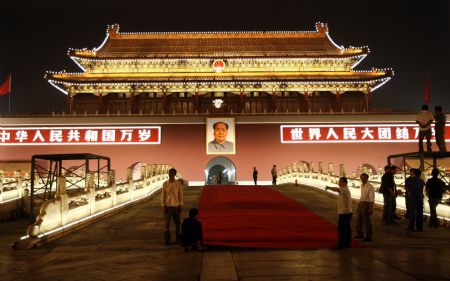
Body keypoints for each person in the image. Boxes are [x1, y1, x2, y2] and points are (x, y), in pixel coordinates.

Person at [326, 177, 353, 249]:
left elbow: (336, 189)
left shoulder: (344, 189)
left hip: (345, 213)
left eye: (340, 182)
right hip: (346, 212)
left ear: (345, 183)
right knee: (346, 229)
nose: (339, 183)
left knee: (342, 229)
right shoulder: (344, 190)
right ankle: (347, 244)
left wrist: (329, 188)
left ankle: (341, 245)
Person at [161, 168, 184, 245]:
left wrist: (181, 204)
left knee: (177, 223)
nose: (170, 174)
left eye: (171, 173)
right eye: (169, 173)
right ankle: (167, 239)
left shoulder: (178, 184)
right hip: (167, 206)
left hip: (176, 206)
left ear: (174, 174)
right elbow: (163, 195)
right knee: (166, 224)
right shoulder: (165, 184)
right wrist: (163, 205)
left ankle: (177, 238)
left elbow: (180, 194)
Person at [355, 173, 375, 242]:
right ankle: (360, 234)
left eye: (364, 178)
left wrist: (370, 208)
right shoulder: (362, 185)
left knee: (366, 221)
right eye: (361, 178)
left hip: (366, 204)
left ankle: (368, 236)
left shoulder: (370, 187)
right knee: (359, 219)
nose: (362, 179)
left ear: (367, 178)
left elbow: (372, 198)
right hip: (361, 203)